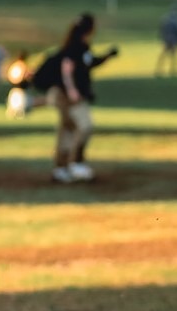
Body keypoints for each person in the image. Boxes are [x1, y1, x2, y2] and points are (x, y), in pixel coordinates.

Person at [38, 13, 119, 183]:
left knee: (67, 130)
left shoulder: (81, 47)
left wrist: (107, 56)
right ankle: (76, 163)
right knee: (84, 126)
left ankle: (61, 167)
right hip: (68, 97)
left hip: (66, 95)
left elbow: (89, 63)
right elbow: (67, 68)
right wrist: (72, 90)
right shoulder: (75, 47)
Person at [156, 3, 177, 78]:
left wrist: (162, 38)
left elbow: (161, 29)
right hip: (172, 40)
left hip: (167, 39)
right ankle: (172, 70)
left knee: (164, 55)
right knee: (172, 56)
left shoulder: (166, 19)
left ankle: (161, 70)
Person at [4, 49, 32, 119]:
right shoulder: (22, 65)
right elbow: (26, 75)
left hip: (14, 85)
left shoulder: (14, 65)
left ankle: (13, 111)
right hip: (21, 85)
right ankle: (20, 112)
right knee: (21, 101)